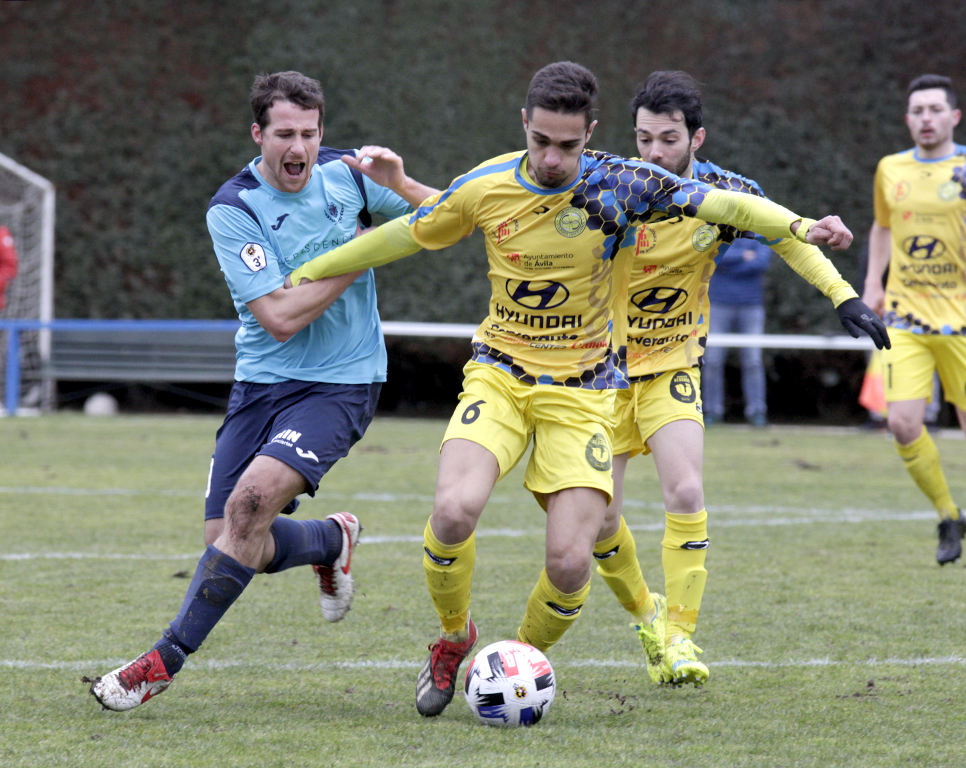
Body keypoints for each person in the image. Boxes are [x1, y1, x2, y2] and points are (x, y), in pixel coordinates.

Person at [288, 61, 867, 717]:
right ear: (525, 128)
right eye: (542, 142)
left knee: (572, 564)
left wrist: (800, 229)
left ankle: (515, 660)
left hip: (590, 389)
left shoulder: (623, 185)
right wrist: (306, 271)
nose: (555, 158)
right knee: (453, 512)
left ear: (591, 134)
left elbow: (730, 204)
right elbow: (411, 231)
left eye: (569, 145)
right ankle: (454, 642)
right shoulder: (489, 182)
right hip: (502, 375)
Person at [89, 71, 438, 711]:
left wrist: (401, 184)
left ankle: (160, 662)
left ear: (321, 132)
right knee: (228, 536)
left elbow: (450, 215)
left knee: (250, 509)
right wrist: (365, 252)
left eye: (309, 132)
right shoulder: (234, 208)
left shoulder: (350, 176)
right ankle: (331, 540)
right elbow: (279, 318)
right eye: (284, 134)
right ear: (259, 135)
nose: (298, 146)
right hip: (262, 381)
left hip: (342, 380)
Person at [586, 70, 888, 688]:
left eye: (668, 139)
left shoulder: (726, 191)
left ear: (698, 138)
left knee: (686, 494)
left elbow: (786, 234)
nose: (653, 154)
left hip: (672, 365)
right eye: (643, 139)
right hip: (601, 372)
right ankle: (647, 616)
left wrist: (844, 297)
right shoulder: (609, 185)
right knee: (597, 519)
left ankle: (680, 637)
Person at [863, 74, 966, 568]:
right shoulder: (891, 169)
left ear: (953, 117)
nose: (926, 119)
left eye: (935, 109)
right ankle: (947, 515)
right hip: (907, 319)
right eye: (917, 110)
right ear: (908, 119)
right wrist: (873, 284)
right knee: (901, 422)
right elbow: (883, 226)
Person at [702, 236, 774, 426]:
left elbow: (761, 262)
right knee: (712, 361)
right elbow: (712, 256)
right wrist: (744, 255)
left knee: (753, 361)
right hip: (718, 304)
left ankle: (756, 412)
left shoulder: (761, 232)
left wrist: (730, 259)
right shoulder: (719, 230)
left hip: (752, 306)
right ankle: (712, 411)